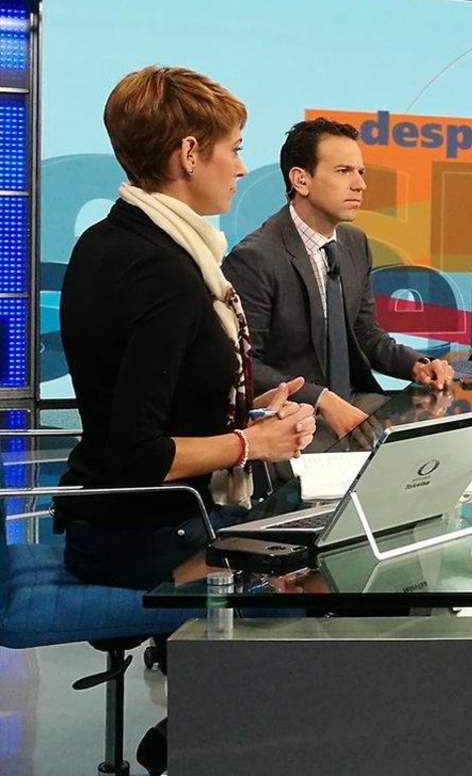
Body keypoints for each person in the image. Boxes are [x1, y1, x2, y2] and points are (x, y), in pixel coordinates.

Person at [56, 66, 317, 773]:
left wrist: (244, 410)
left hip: (111, 518)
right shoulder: (165, 271)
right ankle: (200, 741)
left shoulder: (116, 240)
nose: (241, 168)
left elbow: (142, 401)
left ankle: (201, 724)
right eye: (234, 149)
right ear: (189, 153)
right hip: (139, 533)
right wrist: (251, 441)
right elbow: (137, 454)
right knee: (322, 580)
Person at [223, 118, 453, 440]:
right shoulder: (255, 258)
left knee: (441, 440)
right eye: (344, 171)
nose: (360, 185)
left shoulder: (354, 242)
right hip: (295, 418)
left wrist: (416, 365)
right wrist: (321, 398)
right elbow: (243, 366)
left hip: (357, 401)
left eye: (361, 172)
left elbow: (364, 334)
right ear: (301, 180)